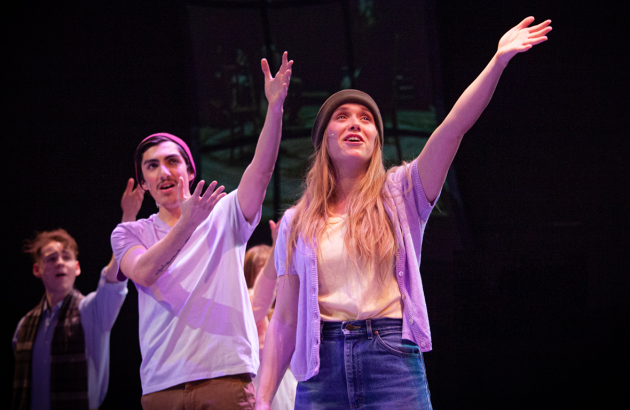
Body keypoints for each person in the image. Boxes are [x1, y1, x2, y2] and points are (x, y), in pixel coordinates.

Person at [255, 17, 552, 409]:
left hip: (389, 360)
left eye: (366, 119)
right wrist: (261, 400)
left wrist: (497, 61)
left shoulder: (400, 193)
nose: (355, 124)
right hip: (321, 370)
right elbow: (285, 323)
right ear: (324, 138)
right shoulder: (297, 221)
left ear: (377, 139)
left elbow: (453, 128)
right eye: (342, 117)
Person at [110, 52, 292, 409]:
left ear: (189, 172)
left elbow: (261, 170)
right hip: (163, 384)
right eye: (152, 166)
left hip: (225, 376)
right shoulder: (128, 234)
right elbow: (145, 272)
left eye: (172, 161)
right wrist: (188, 222)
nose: (163, 172)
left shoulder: (224, 213)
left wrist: (274, 109)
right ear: (144, 184)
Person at [13, 178, 143, 410]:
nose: (60, 263)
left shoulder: (91, 311)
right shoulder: (24, 326)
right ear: (37, 270)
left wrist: (128, 218)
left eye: (66, 257)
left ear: (77, 267)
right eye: (51, 259)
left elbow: (112, 280)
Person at [245, 221, 298, 410]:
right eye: (261, 265)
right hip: (260, 373)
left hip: (287, 374)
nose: (267, 270)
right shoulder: (249, 299)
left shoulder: (286, 301)